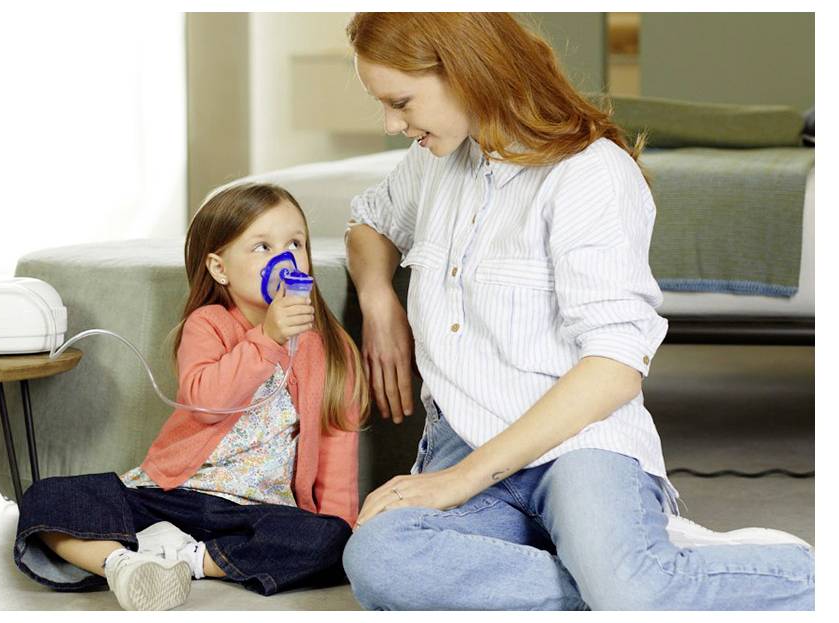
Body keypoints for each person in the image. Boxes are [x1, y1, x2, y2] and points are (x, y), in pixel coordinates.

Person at [338, 12, 814, 610]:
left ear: (465, 70)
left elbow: (615, 364)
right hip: (462, 437)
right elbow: (370, 222)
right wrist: (381, 300)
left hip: (577, 447)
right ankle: (633, 578)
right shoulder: (435, 162)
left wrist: (460, 481)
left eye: (401, 102)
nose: (391, 124)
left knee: (631, 594)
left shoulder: (590, 174)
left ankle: (778, 576)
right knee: (381, 560)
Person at [12, 182, 369, 610]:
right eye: (262, 246)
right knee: (47, 498)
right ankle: (121, 564)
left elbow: (337, 452)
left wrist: (338, 528)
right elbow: (205, 402)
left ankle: (188, 561)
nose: (286, 257)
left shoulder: (332, 349)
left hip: (255, 511)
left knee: (330, 539)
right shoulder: (208, 325)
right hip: (174, 493)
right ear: (220, 269)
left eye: (296, 243)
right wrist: (267, 338)